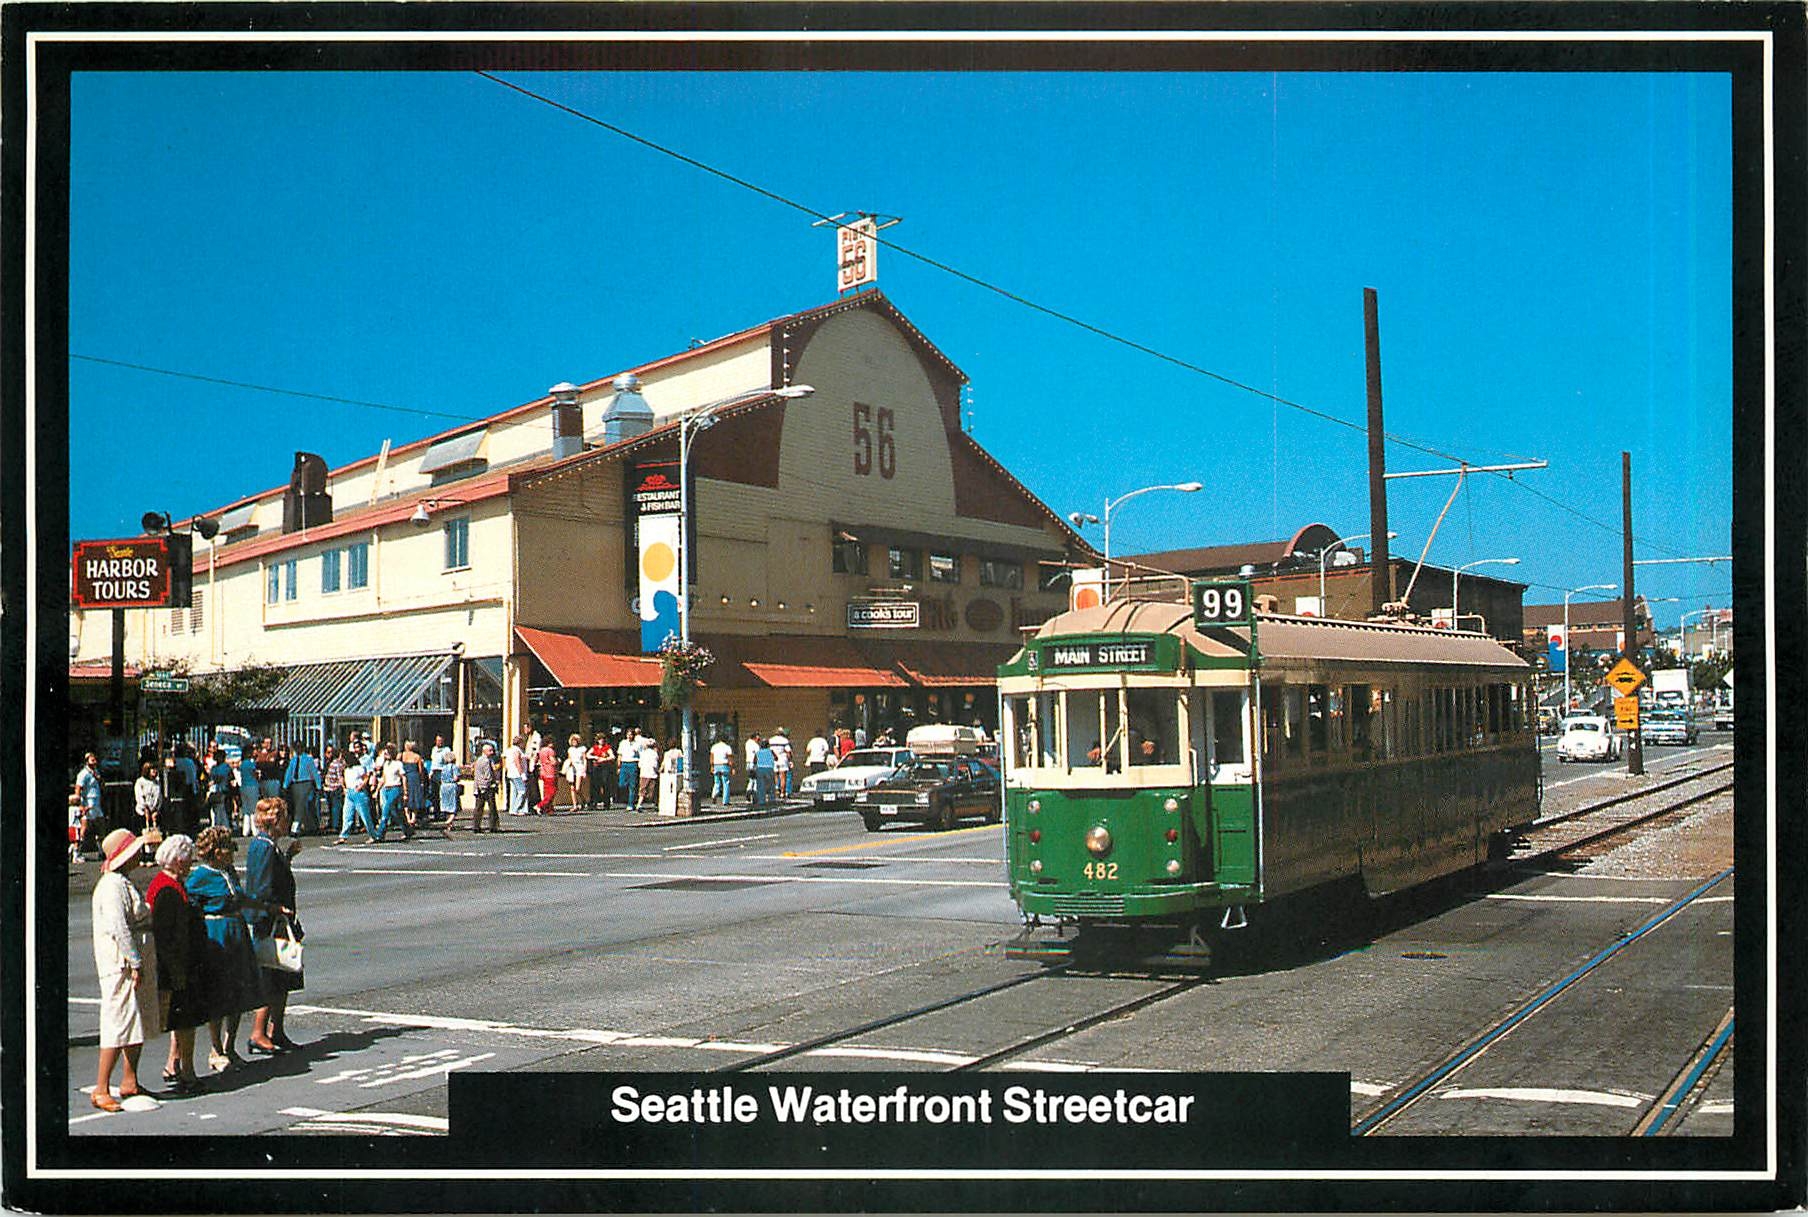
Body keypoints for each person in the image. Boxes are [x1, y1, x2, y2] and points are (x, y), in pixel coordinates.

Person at [89, 828, 158, 1111]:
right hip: (120, 964)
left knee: (135, 1020)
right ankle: (101, 1087)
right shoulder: (111, 886)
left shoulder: (122, 882)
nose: (139, 855)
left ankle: (129, 1079)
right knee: (117, 1022)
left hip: (131, 961)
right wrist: (135, 961)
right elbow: (119, 927)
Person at [186, 827, 261, 1072]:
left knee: (236, 991)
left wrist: (267, 908)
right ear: (217, 853)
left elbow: (240, 898)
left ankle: (230, 1047)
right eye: (228, 849)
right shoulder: (199, 877)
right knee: (218, 993)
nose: (232, 854)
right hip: (216, 934)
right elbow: (190, 908)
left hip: (236, 931)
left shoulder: (228, 871)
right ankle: (216, 1049)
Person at [146, 833, 206, 1095]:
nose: (191, 863)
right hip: (177, 967)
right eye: (189, 859)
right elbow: (168, 936)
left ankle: (176, 1065)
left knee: (179, 1020)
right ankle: (188, 1072)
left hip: (177, 965)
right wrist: (177, 970)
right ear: (179, 861)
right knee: (184, 1022)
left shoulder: (165, 883)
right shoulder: (168, 890)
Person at [244, 798, 303, 1053]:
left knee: (284, 975)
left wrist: (288, 857)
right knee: (270, 975)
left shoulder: (271, 845)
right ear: (275, 821)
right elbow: (260, 886)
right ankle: (258, 1031)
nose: (287, 822)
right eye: (284, 817)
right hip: (271, 921)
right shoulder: (263, 847)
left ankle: (276, 1030)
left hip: (281, 918)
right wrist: (273, 910)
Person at [283, 743, 320, 835]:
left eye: (300, 747)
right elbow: (289, 772)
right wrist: (285, 785)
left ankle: (295, 827)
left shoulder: (308, 759)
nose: (298, 749)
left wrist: (318, 785)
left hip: (306, 782)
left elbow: (314, 772)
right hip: (295, 783)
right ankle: (311, 826)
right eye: (296, 748)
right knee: (300, 805)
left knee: (301, 804)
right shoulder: (293, 760)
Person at [75, 753, 108, 857]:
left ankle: (101, 851)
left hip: (97, 804)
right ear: (87, 761)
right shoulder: (83, 774)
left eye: (95, 760)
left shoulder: (96, 772)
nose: (95, 762)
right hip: (87, 803)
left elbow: (102, 785)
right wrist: (80, 805)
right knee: (84, 828)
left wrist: (99, 778)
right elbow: (78, 789)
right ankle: (77, 852)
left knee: (101, 826)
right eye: (92, 760)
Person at [376, 744, 409, 841]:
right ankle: (407, 830)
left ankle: (380, 834)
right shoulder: (385, 765)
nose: (385, 755)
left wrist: (405, 792)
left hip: (395, 788)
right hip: (386, 788)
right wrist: (378, 789)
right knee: (396, 811)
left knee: (386, 810)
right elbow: (384, 778)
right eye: (385, 754)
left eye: (387, 753)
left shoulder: (398, 764)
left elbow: (403, 777)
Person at [471, 741, 500, 832]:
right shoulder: (486, 761)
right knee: (492, 808)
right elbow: (488, 776)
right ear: (484, 751)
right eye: (490, 751)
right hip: (486, 787)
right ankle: (493, 826)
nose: (492, 752)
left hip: (478, 787)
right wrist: (493, 783)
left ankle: (476, 826)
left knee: (479, 807)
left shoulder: (479, 760)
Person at [432, 735, 460, 825]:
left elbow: (447, 759)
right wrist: (431, 773)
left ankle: (444, 815)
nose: (438, 742)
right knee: (436, 794)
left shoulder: (446, 749)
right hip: (435, 772)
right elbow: (433, 761)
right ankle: (437, 813)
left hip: (442, 771)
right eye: (437, 740)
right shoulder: (434, 749)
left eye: (440, 740)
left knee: (446, 797)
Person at [399, 740, 426, 832]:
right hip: (414, 778)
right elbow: (421, 771)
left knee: (405, 797)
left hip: (404, 777)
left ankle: (407, 816)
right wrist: (422, 781)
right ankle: (413, 818)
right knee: (414, 798)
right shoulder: (417, 757)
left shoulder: (401, 755)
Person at [205, 748, 236, 831]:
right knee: (224, 812)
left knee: (215, 813)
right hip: (224, 792)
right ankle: (225, 829)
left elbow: (210, 780)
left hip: (215, 792)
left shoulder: (213, 768)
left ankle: (216, 828)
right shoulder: (226, 767)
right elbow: (231, 780)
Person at [320, 745, 345, 838]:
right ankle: (334, 824)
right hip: (332, 787)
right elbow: (338, 776)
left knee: (334, 807)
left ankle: (334, 824)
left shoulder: (333, 763)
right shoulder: (334, 763)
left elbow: (336, 776)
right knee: (334, 806)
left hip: (332, 787)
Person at [586, 733, 616, 810]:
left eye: (602, 739)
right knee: (595, 785)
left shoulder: (607, 748)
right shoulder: (594, 748)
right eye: (599, 739)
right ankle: (593, 803)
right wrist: (595, 757)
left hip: (604, 767)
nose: (601, 741)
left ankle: (606, 803)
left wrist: (604, 759)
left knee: (605, 784)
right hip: (596, 767)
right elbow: (587, 755)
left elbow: (612, 756)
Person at [504, 734, 530, 817]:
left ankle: (512, 809)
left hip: (511, 773)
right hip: (517, 774)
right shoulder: (517, 751)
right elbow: (517, 762)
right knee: (522, 791)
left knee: (514, 791)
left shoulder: (509, 750)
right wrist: (522, 774)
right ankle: (516, 808)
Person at [133, 763, 162, 834]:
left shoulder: (157, 782)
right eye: (153, 769)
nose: (155, 771)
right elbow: (139, 796)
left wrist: (157, 809)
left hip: (154, 813)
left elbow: (159, 797)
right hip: (143, 813)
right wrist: (145, 808)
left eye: (156, 769)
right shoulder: (140, 782)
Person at [562, 733, 587, 812]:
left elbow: (584, 759)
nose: (574, 742)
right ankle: (575, 805)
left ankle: (583, 800)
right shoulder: (570, 749)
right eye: (572, 741)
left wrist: (584, 770)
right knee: (572, 788)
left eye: (575, 741)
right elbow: (569, 759)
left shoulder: (582, 748)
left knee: (577, 788)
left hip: (579, 768)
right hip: (571, 769)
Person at [237, 748, 260, 836]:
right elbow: (254, 773)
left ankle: (245, 831)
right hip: (252, 786)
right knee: (253, 809)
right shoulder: (251, 763)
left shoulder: (242, 764)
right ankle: (255, 830)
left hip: (243, 786)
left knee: (246, 809)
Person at [535, 735, 559, 815]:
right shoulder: (550, 751)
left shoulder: (541, 751)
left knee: (546, 791)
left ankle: (548, 809)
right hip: (550, 772)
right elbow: (553, 762)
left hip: (543, 772)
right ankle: (540, 805)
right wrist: (558, 761)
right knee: (552, 791)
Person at [617, 729, 641, 808]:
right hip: (624, 763)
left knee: (632, 785)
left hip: (633, 763)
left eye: (631, 734)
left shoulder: (637, 744)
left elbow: (640, 755)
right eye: (628, 734)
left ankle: (630, 804)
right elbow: (620, 755)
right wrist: (619, 766)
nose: (629, 736)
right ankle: (625, 797)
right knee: (622, 784)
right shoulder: (623, 743)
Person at [635, 737, 661, 811]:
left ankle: (639, 804)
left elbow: (640, 764)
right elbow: (655, 765)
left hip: (643, 773)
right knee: (652, 790)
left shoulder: (643, 753)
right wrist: (658, 771)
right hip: (652, 774)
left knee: (642, 789)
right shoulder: (654, 754)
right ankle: (656, 803)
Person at [709, 736, 734, 806]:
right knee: (726, 783)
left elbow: (711, 757)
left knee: (716, 782)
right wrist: (732, 768)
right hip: (724, 765)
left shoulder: (714, 747)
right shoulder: (727, 747)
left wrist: (712, 766)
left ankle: (714, 795)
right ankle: (725, 801)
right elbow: (730, 759)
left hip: (716, 765)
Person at [752, 736, 776, 808]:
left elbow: (754, 761)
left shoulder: (758, 752)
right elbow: (776, 758)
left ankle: (761, 800)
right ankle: (771, 799)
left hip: (760, 768)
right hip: (769, 768)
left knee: (761, 785)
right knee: (771, 785)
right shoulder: (771, 751)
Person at [769, 728, 793, 799]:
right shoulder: (784, 740)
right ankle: (782, 792)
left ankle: (776, 790)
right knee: (783, 777)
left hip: (774, 759)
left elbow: (770, 750)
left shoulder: (771, 740)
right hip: (783, 759)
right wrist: (790, 760)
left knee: (776, 776)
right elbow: (788, 751)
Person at [742, 732, 761, 802]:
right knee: (756, 780)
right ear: (755, 737)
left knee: (751, 778)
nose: (759, 740)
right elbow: (757, 755)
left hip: (748, 762)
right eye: (758, 738)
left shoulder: (747, 743)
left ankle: (748, 790)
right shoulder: (755, 745)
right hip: (754, 763)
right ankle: (755, 795)